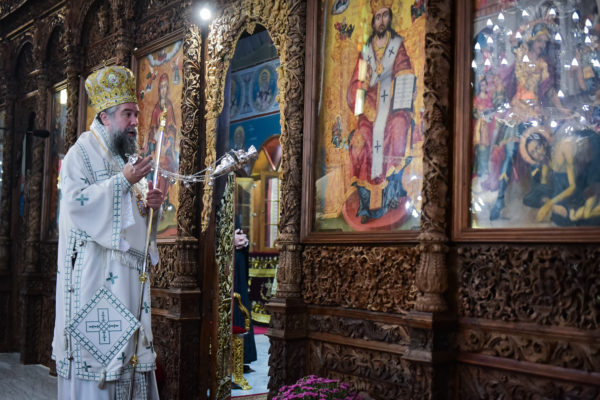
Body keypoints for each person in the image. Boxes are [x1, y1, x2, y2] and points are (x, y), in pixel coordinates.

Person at [52, 65, 164, 399]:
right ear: (105, 117)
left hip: (127, 283)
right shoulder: (81, 153)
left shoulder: (124, 157)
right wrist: (123, 182)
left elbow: (134, 223)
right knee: (100, 362)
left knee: (130, 356)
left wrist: (151, 207)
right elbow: (75, 205)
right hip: (95, 281)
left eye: (136, 114)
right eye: (128, 114)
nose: (135, 122)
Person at [346, 0, 414, 224]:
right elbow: (355, 84)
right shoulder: (366, 51)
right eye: (378, 17)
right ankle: (365, 205)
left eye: (385, 15)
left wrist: (400, 84)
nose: (382, 21)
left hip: (393, 107)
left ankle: (391, 195)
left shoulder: (397, 45)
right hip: (370, 110)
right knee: (361, 140)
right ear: (373, 21)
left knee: (399, 127)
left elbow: (405, 71)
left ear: (390, 18)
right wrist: (363, 92)